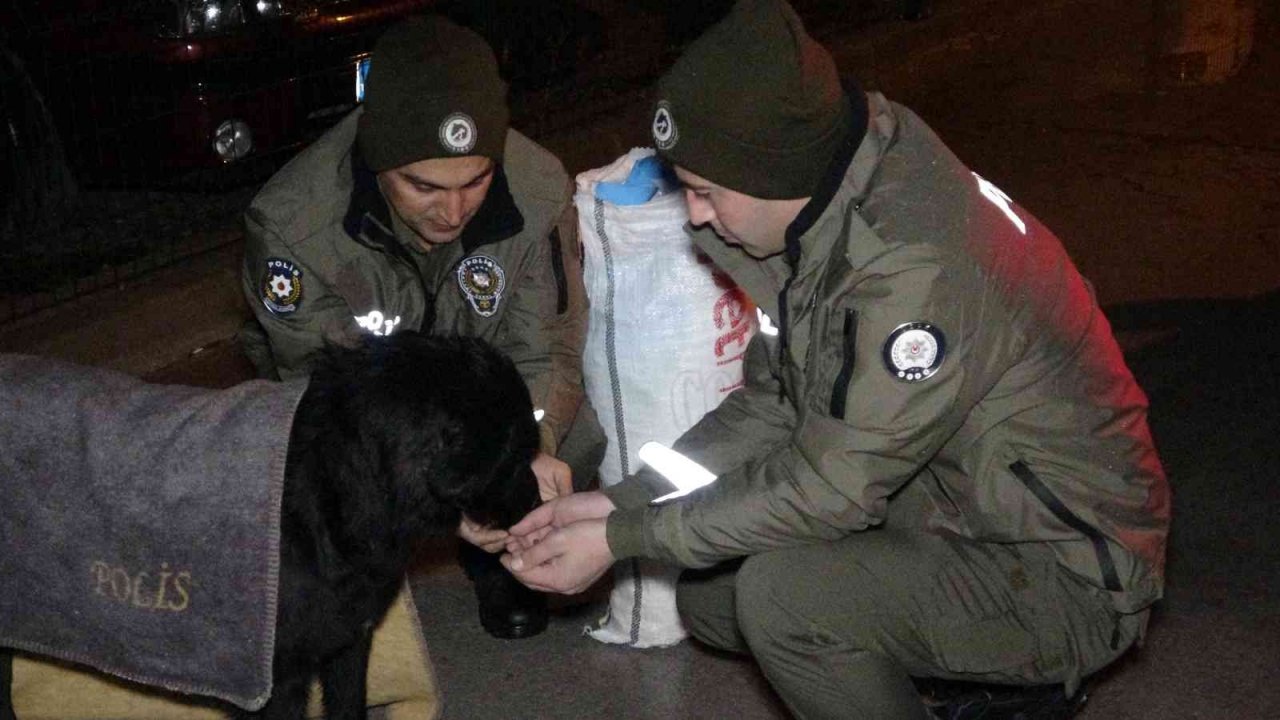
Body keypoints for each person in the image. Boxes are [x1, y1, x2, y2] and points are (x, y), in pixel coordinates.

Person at [501, 0, 1171, 716]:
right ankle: (952, 679)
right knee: (712, 594)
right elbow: (772, 406)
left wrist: (620, 539)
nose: (693, 216)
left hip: (1064, 564)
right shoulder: (821, 204)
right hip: (948, 500)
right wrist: (621, 500)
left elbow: (834, 487)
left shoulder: (913, 267)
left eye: (704, 192)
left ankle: (1005, 684)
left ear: (773, 170)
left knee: (784, 602)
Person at [238, 15, 602, 640]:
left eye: (478, 180)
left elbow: (546, 348)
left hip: (477, 374)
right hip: (358, 388)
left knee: (578, 429)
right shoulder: (293, 228)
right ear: (379, 162)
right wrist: (441, 497)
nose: (454, 210)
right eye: (423, 186)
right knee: (308, 470)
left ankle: (506, 563)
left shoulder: (538, 188)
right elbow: (336, 401)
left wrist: (527, 458)